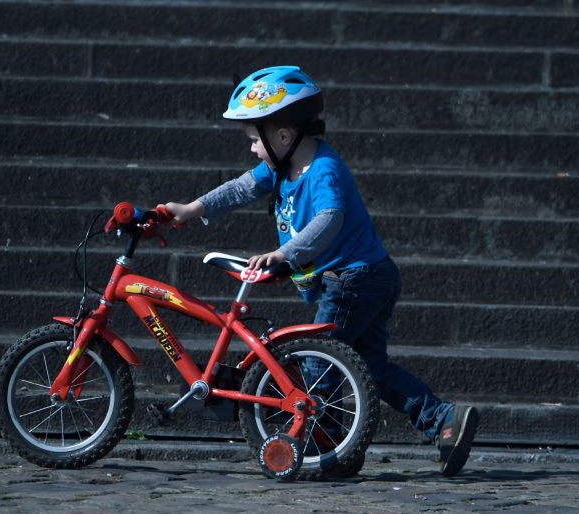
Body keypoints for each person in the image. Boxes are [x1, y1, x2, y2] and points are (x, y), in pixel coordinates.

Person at [162, 65, 478, 477]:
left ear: (283, 135)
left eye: (255, 140)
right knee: (370, 368)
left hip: (353, 278)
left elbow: (330, 218)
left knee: (316, 370)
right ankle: (444, 421)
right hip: (368, 276)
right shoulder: (281, 166)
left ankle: (324, 449)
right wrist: (192, 210)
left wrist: (283, 253)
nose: (253, 149)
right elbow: (241, 187)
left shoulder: (323, 169)